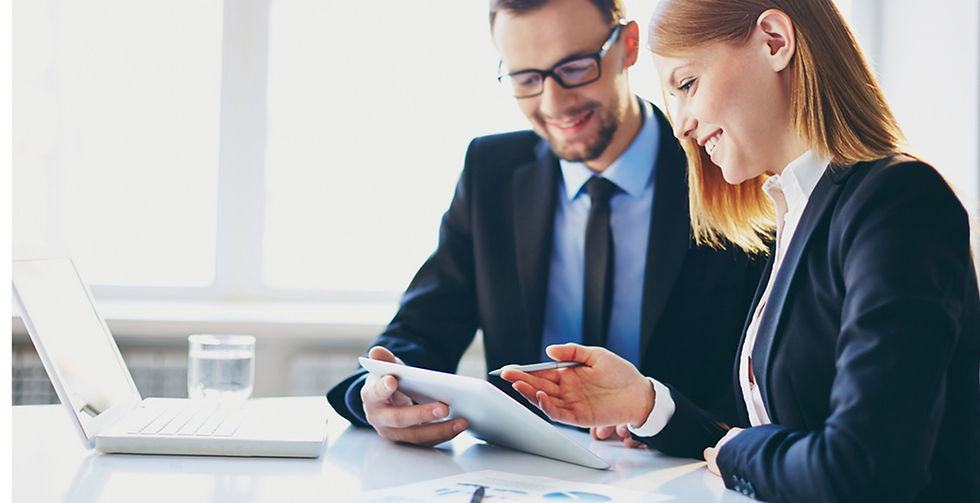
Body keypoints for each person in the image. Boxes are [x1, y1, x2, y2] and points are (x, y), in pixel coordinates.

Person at [501, 0, 980, 501]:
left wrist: (739, 453)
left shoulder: (899, 202)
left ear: (775, 41)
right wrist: (646, 404)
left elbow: (861, 465)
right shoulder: (795, 211)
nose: (681, 125)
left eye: (687, 85)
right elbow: (774, 443)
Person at [326, 0, 766, 448]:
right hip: (524, 472)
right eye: (527, 79)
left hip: (685, 472)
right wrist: (378, 393)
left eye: (575, 67)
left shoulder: (726, 164)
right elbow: (421, 331)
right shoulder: (490, 172)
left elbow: (766, 390)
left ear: (629, 46)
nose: (554, 103)